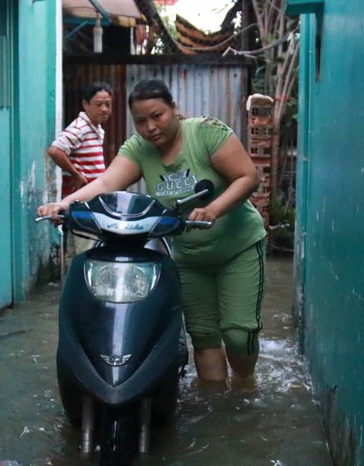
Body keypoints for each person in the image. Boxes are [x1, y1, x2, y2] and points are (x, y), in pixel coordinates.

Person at [38, 78, 266, 387]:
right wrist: (63, 205)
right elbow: (106, 184)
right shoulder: (139, 148)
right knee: (203, 336)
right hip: (189, 255)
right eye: (141, 121)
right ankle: (220, 409)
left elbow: (248, 176)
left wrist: (214, 209)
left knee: (239, 334)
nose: (150, 127)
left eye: (157, 116)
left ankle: (244, 386)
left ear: (173, 108)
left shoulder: (206, 133)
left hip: (237, 249)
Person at [47, 82, 114, 263]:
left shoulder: (96, 129)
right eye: (99, 104)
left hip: (90, 205)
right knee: (86, 255)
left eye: (108, 104)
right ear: (86, 104)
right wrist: (76, 174)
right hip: (82, 205)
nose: (104, 109)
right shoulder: (80, 127)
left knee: (76, 254)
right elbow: (55, 151)